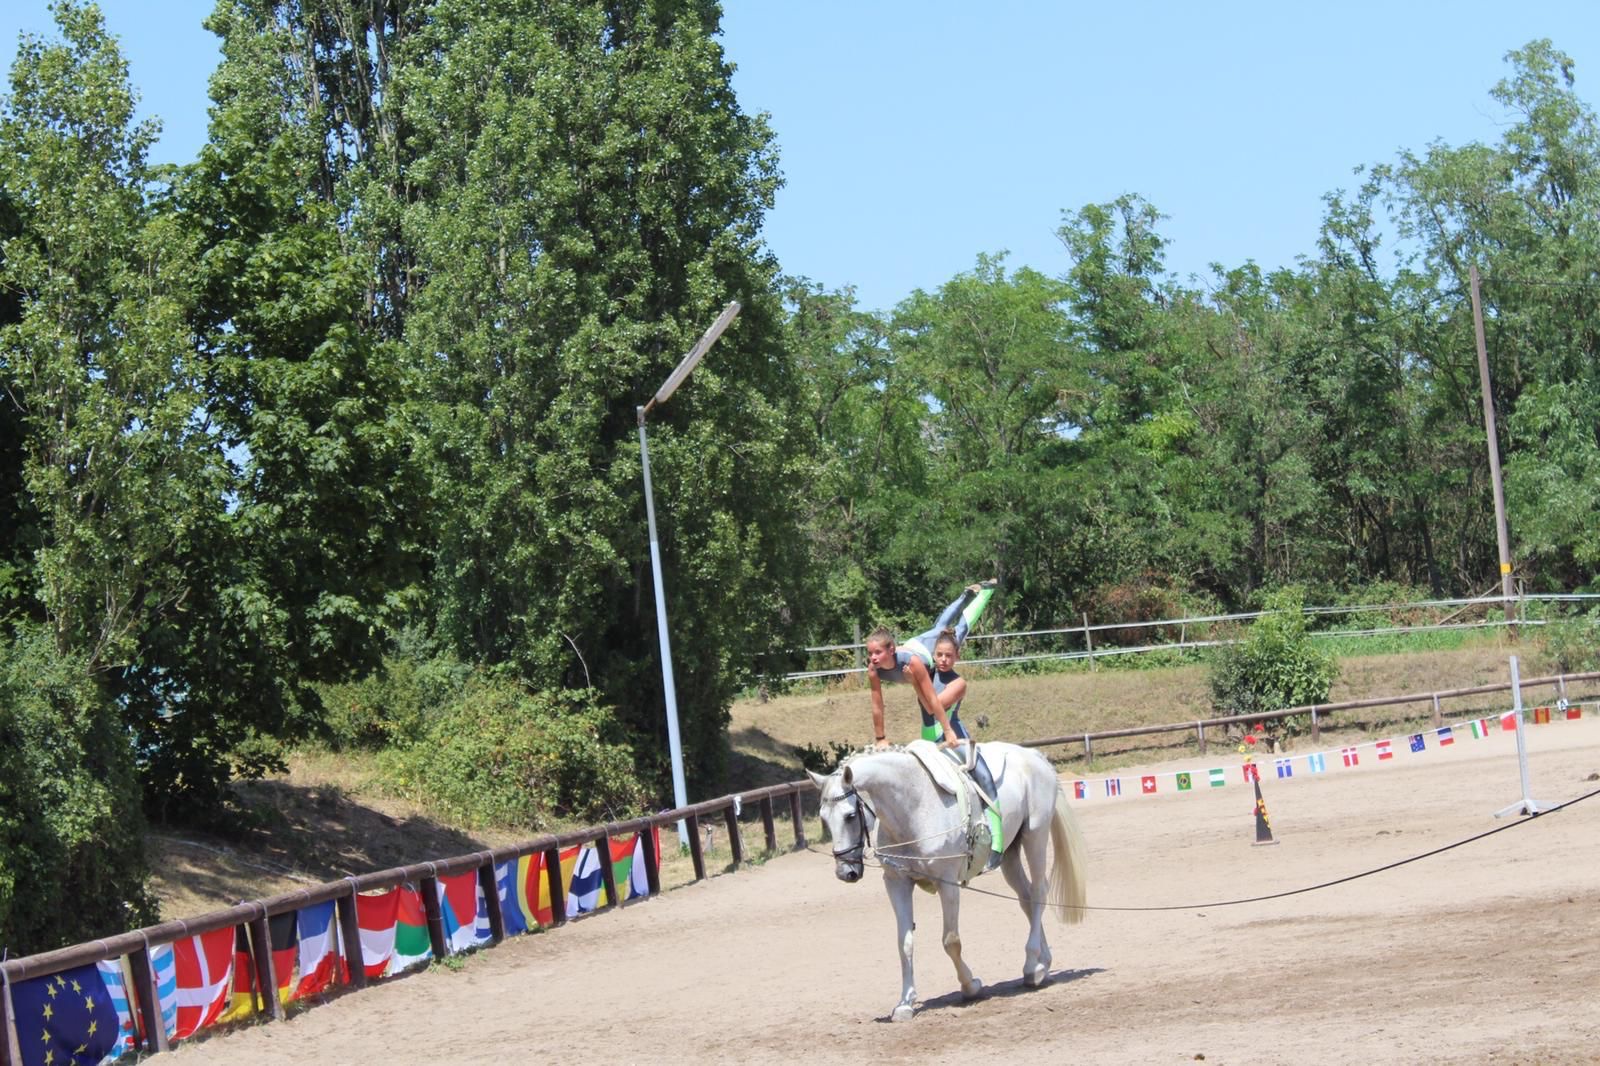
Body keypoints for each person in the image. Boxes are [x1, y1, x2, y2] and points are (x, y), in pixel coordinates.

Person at [864, 579, 996, 748]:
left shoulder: (912, 663)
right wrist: (880, 737)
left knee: (959, 629)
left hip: (923, 650)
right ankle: (966, 595)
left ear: (891, 650)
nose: (873, 658)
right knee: (939, 626)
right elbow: (877, 705)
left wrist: (948, 731)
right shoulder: (874, 668)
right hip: (913, 645)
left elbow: (932, 701)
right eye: (870, 653)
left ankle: (986, 591)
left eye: (877, 653)